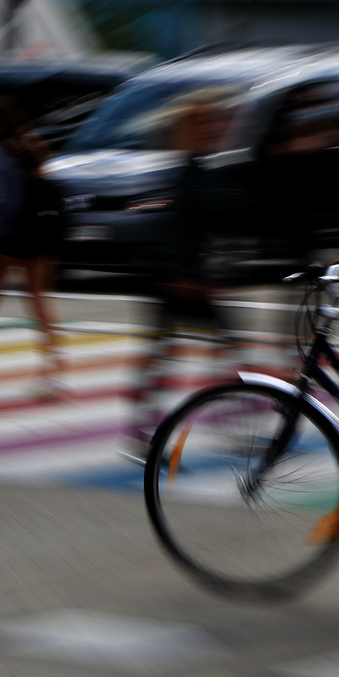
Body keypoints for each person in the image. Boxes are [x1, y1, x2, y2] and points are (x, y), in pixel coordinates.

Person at [126, 92, 238, 449]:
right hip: (176, 279)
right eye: (208, 121)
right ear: (193, 127)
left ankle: (145, 429)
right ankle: (148, 429)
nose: (217, 127)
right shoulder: (187, 170)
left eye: (217, 120)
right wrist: (189, 275)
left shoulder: (199, 166)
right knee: (175, 352)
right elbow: (182, 227)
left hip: (178, 276)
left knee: (169, 352)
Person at [0, 97, 67, 403]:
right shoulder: (29, 150)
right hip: (37, 236)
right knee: (39, 302)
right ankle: (55, 373)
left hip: (7, 239)